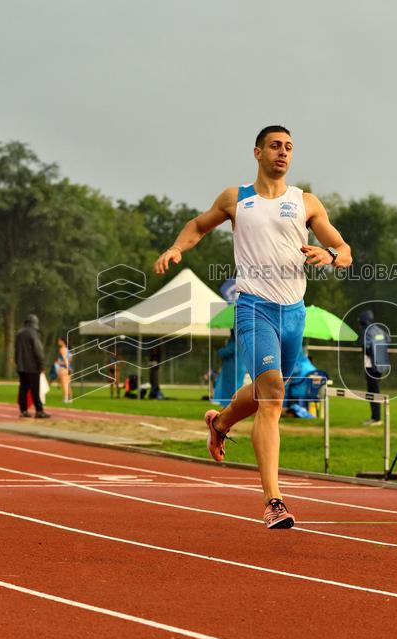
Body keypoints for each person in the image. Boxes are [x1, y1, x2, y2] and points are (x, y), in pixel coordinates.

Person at [154, 125, 352, 529]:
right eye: (276, 146)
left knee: (266, 390)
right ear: (258, 152)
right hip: (253, 307)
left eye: (290, 148)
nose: (283, 153)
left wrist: (330, 255)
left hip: (293, 311)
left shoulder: (306, 202)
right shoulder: (236, 198)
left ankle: (221, 422)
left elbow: (345, 250)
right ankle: (273, 500)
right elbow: (197, 226)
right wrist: (177, 247)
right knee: (274, 395)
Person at [359, 310, 391, 426]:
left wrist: (369, 351)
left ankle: (376, 418)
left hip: (370, 366)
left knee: (373, 391)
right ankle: (375, 417)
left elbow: (365, 347)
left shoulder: (366, 331)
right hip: (380, 365)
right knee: (375, 390)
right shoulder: (379, 330)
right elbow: (388, 340)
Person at [15, 313, 49, 418]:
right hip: (32, 366)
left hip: (21, 366)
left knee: (23, 389)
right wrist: (42, 364)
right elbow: (38, 350)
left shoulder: (19, 333)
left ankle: (23, 410)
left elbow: (16, 351)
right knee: (35, 389)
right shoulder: (33, 333)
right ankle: (39, 410)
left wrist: (18, 363)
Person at [54, 338, 71, 402]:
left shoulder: (62, 349)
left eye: (59, 341)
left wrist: (67, 367)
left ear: (63, 342)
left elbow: (65, 359)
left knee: (64, 384)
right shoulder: (68, 350)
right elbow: (69, 359)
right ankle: (69, 398)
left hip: (63, 368)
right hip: (67, 368)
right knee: (67, 384)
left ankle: (65, 398)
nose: (58, 342)